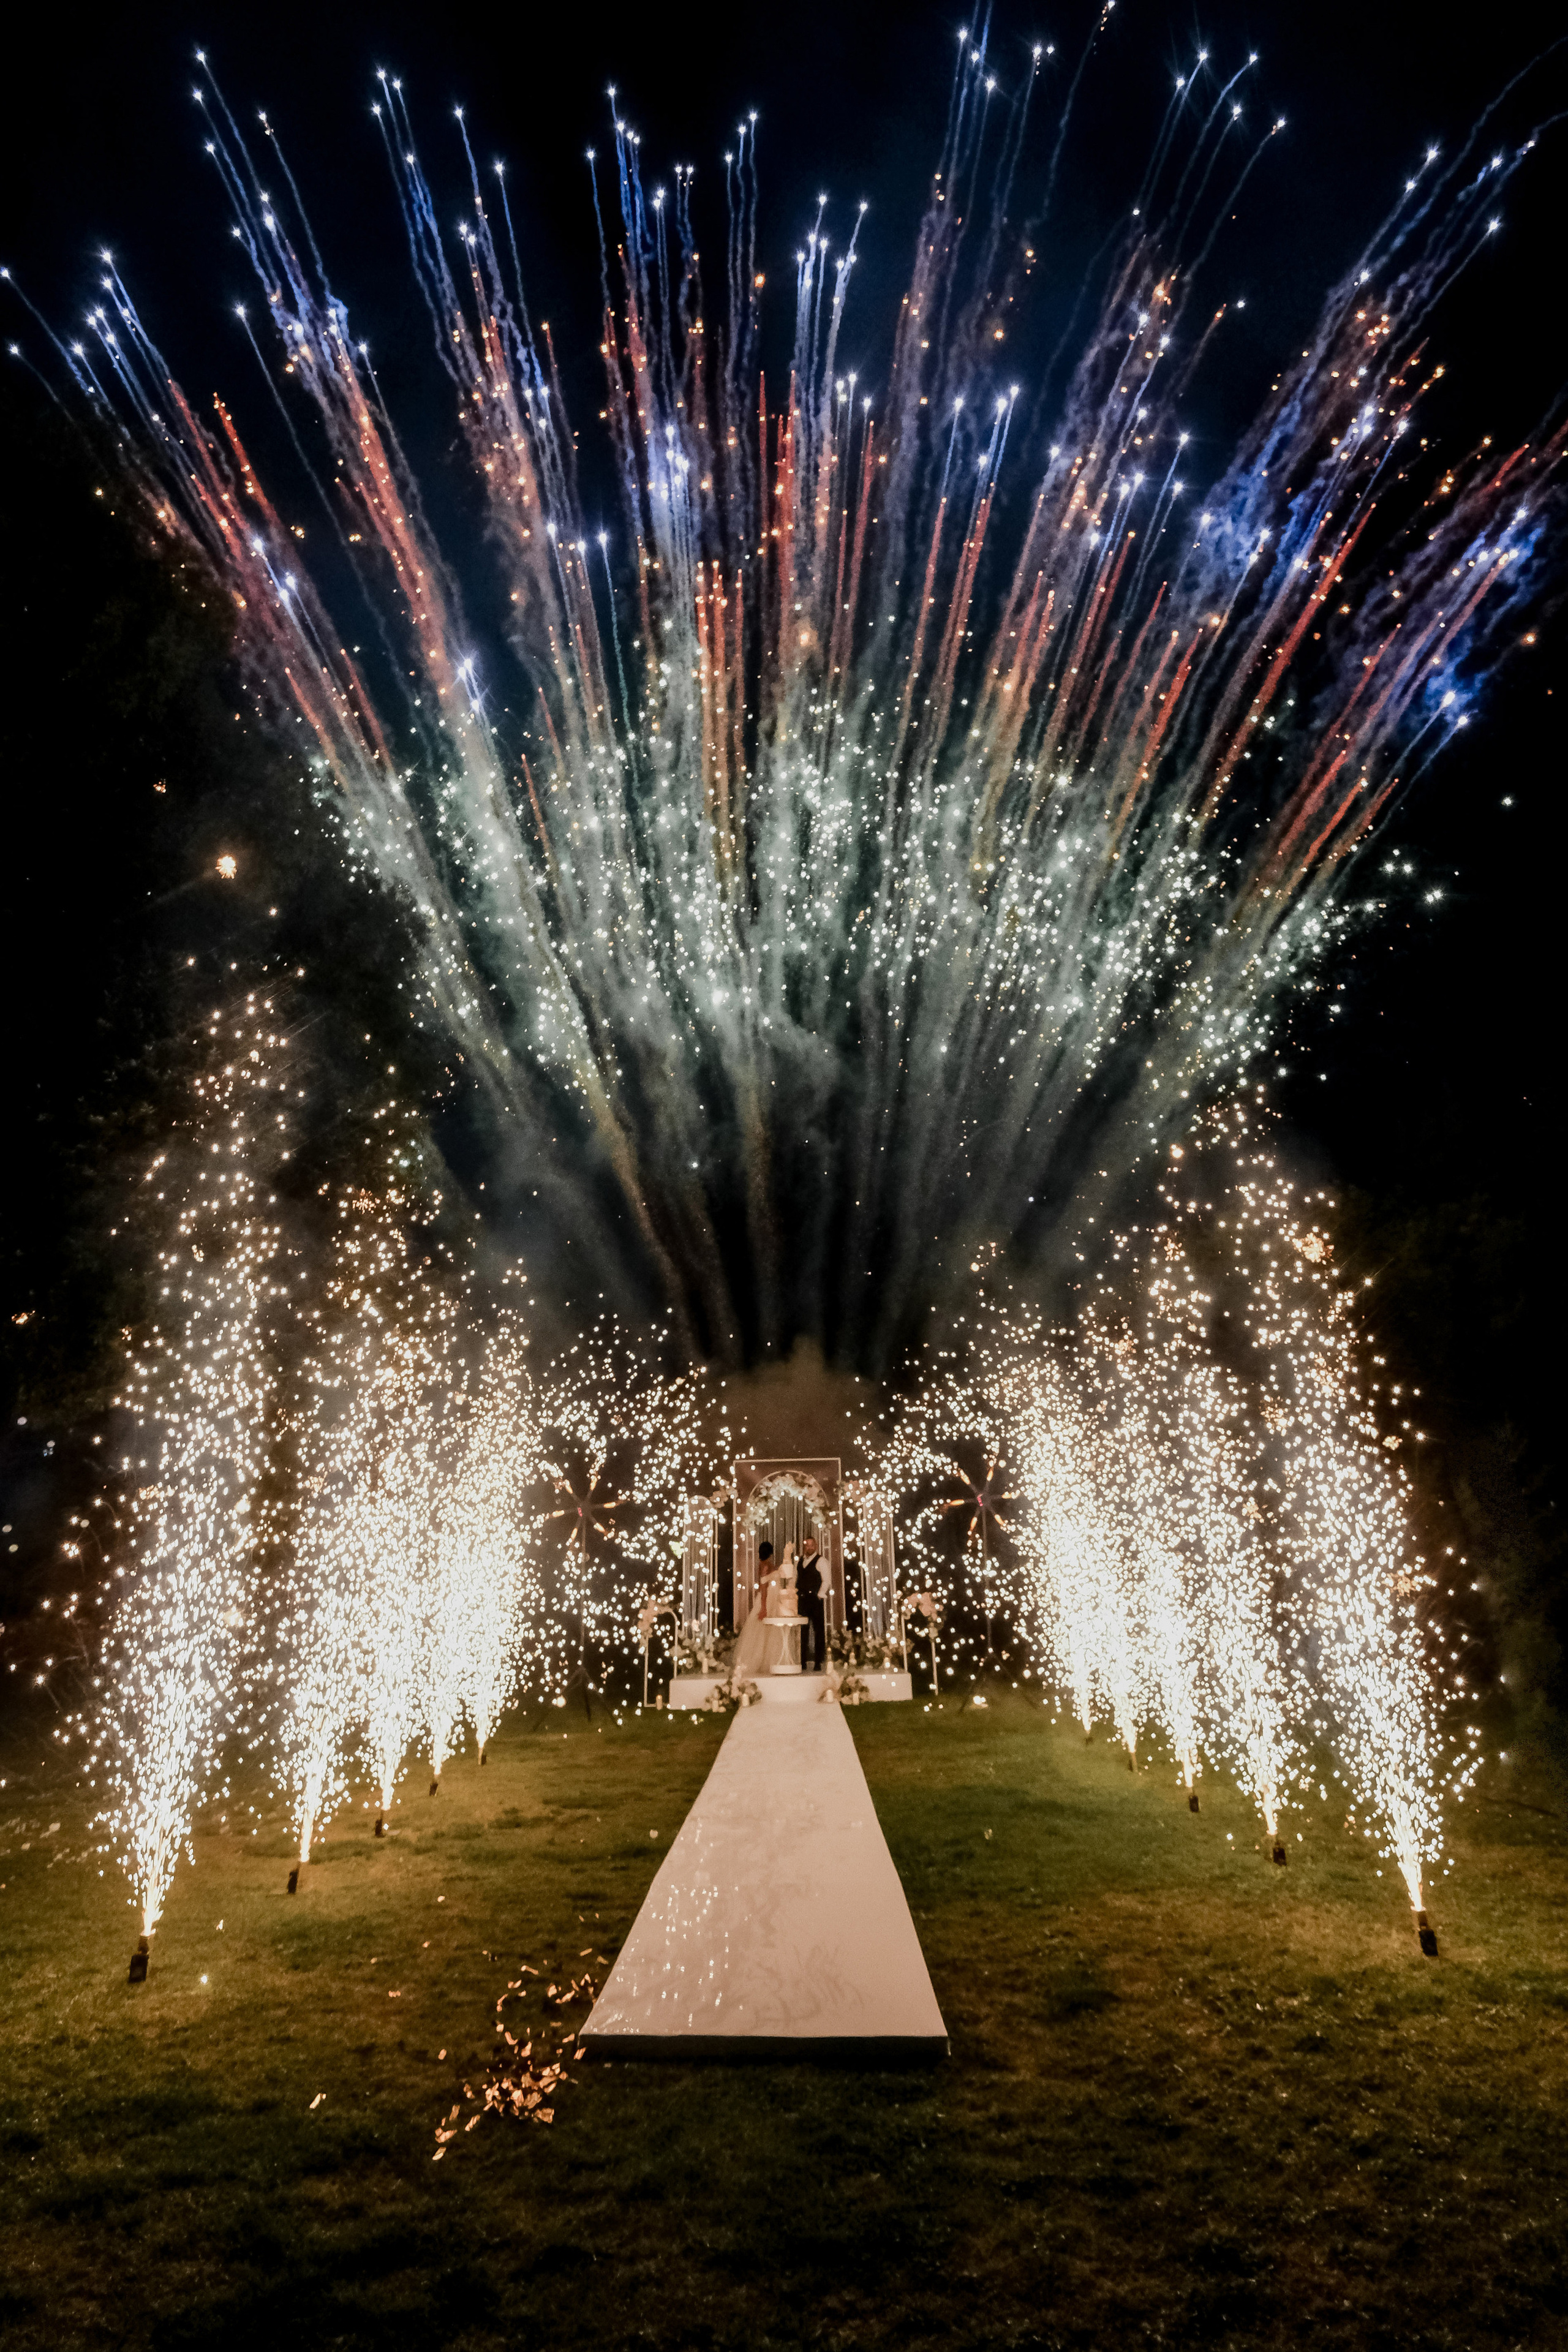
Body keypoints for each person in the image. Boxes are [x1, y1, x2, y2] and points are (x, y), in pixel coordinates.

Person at [796, 1531, 827, 1672]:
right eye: (806, 1546)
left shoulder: (821, 1561)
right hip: (802, 1600)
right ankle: (802, 1661)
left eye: (811, 1545)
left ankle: (818, 1662)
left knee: (818, 1630)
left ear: (816, 1546)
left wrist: (820, 1595)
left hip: (814, 1600)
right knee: (803, 1630)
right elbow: (796, 1578)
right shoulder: (800, 1561)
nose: (808, 1548)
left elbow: (827, 1580)